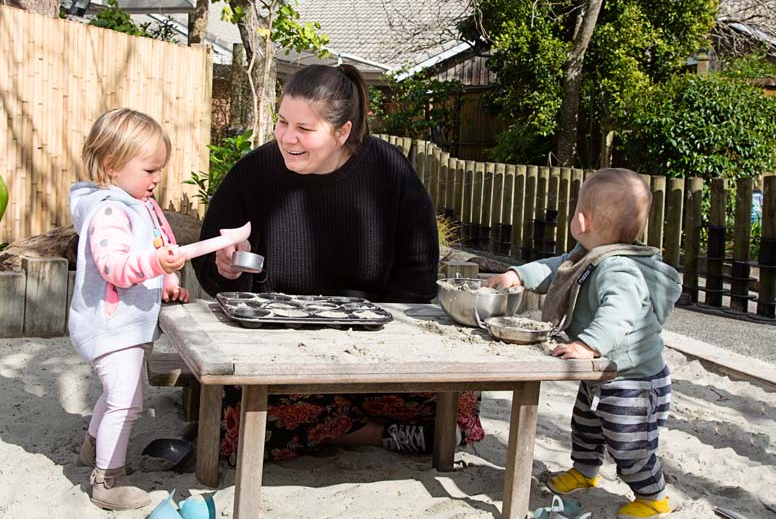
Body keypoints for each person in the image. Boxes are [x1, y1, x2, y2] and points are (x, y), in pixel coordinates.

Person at [193, 64, 484, 463]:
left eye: (305, 129)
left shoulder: (388, 170)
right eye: (282, 122)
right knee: (247, 420)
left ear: (343, 131)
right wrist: (224, 269)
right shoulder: (254, 173)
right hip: (281, 349)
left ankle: (340, 422)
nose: (287, 138)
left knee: (461, 404)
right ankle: (375, 434)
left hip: (370, 347)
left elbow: (418, 270)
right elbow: (209, 268)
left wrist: (376, 340)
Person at [485, 168, 681, 519]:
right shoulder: (588, 253)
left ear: (581, 219)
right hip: (604, 374)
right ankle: (585, 472)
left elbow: (618, 315)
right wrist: (519, 275)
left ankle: (654, 496)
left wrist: (588, 345)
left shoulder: (618, 269)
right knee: (586, 426)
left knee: (629, 442)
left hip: (634, 381)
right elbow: (557, 268)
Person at [69, 108, 189, 510]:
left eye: (160, 169)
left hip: (129, 324)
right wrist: (159, 266)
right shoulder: (109, 211)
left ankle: (92, 447)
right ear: (112, 165)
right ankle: (106, 481)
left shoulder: (138, 204)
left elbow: (153, 250)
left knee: (117, 394)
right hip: (109, 324)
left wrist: (168, 283)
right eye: (150, 169)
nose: (157, 178)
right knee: (127, 401)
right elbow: (116, 268)